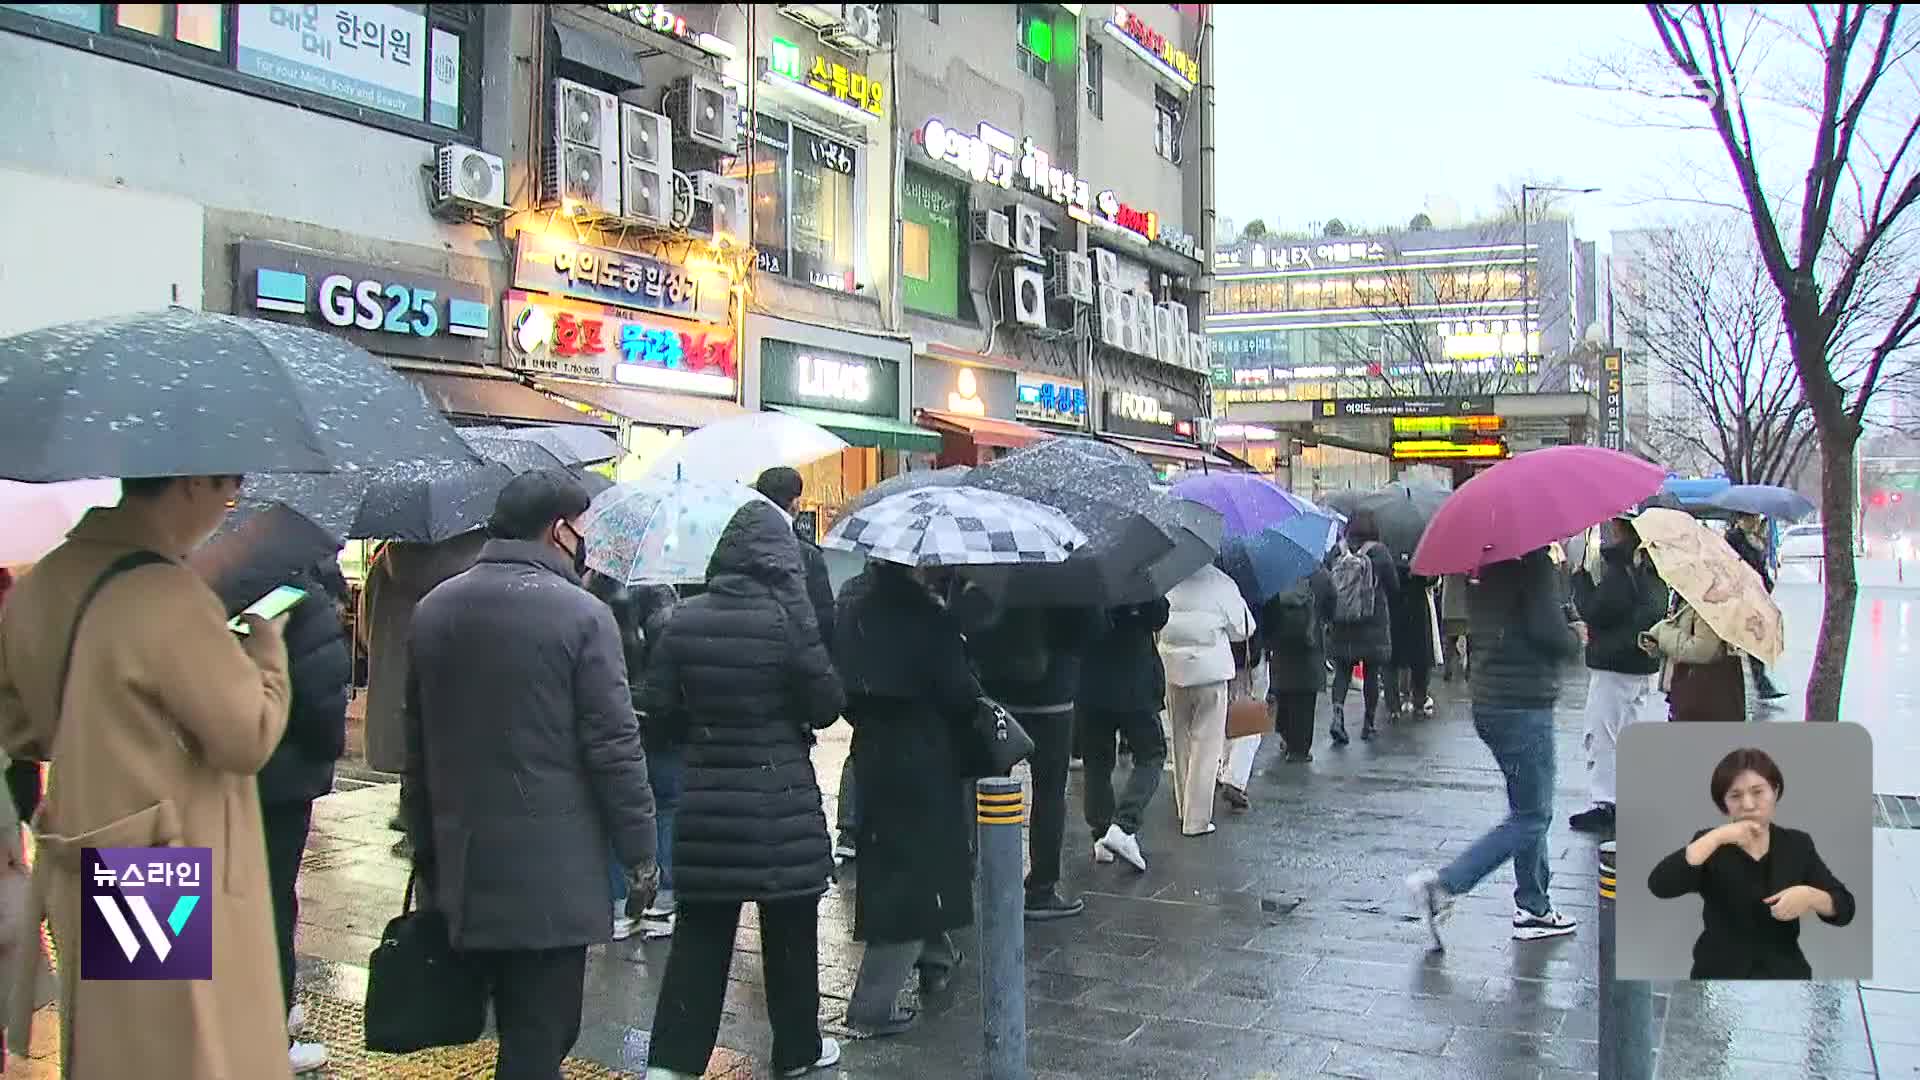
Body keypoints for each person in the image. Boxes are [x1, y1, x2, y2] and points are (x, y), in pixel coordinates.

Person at [0, 474, 296, 1079]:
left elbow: (17, 725)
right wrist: (268, 652)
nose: (226, 507)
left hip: (84, 839)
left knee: (118, 1047)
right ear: (190, 484)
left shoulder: (42, 583)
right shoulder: (167, 593)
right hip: (160, 857)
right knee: (177, 1052)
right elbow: (247, 735)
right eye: (228, 489)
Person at [403, 470, 657, 1080]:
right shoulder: (582, 616)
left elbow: (416, 742)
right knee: (540, 1033)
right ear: (558, 530)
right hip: (553, 870)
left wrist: (422, 840)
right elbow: (615, 747)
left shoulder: (434, 608)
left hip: (461, 860)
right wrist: (641, 852)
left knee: (503, 1022)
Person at [641, 501, 844, 1079]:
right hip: (781, 803)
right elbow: (827, 706)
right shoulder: (788, 620)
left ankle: (672, 1064)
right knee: (790, 938)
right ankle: (799, 1050)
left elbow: (657, 708)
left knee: (700, 937)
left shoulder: (682, 620)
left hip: (708, 805)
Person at [1406, 547, 1584, 946]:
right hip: (1523, 701)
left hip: (1491, 698)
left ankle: (1535, 906)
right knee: (1532, 816)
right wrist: (1575, 636)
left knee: (1528, 809)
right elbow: (1548, 633)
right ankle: (1446, 884)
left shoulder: (1485, 562)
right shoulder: (1534, 563)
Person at [831, 560, 978, 1036]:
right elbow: (959, 695)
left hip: (874, 752)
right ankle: (870, 1006)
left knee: (897, 859)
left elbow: (843, 690)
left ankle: (936, 957)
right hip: (926, 755)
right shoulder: (929, 619)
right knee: (917, 871)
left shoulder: (853, 609)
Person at [251, 559, 352, 1074]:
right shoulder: (290, 603)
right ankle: (263, 1033)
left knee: (130, 1014)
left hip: (114, 817)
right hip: (191, 803)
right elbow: (230, 730)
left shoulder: (124, 586)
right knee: (265, 898)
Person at [1648, 747, 1856, 978]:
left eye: (1758, 792)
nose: (1748, 805)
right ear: (1724, 803)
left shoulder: (1797, 844)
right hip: (1718, 975)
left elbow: (1845, 907)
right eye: (1735, 796)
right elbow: (1660, 885)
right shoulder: (1710, 845)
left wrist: (1810, 896)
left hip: (1785, 974)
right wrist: (1715, 838)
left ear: (1775, 791)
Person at [969, 603, 1102, 919]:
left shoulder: (991, 569)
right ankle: (1041, 889)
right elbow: (1094, 629)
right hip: (1052, 699)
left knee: (987, 789)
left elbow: (967, 622)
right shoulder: (1069, 577)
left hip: (997, 696)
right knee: (1050, 794)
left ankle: (986, 879)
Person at [752, 468, 856, 862]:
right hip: (789, 686)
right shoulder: (804, 555)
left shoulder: (727, 550)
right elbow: (822, 623)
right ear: (795, 502)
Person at [359, 531, 485, 851]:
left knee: (410, 755)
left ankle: (412, 826)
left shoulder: (385, 559)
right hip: (448, 681)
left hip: (396, 676)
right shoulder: (472, 566)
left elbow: (363, 626)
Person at [584, 574, 683, 940]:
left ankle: (619, 904)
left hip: (615, 724)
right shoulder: (668, 608)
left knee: (614, 813)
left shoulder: (594, 607)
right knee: (667, 808)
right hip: (662, 729)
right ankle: (662, 901)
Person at [1568, 516, 1669, 833]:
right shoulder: (1653, 569)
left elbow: (1596, 610)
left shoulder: (1622, 571)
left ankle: (1606, 802)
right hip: (1639, 664)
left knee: (1602, 733)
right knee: (1627, 731)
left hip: (1615, 663)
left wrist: (1579, 578)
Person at [1159, 562, 1254, 838]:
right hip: (1211, 674)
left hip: (1173, 669)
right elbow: (1243, 630)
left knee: (1180, 742)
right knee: (1206, 747)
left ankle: (1182, 808)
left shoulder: (1168, 578)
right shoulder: (1222, 583)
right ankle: (1196, 820)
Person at [1076, 598, 1171, 871]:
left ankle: (1101, 833)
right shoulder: (1136, 572)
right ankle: (1123, 825)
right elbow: (1158, 617)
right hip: (1135, 682)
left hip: (1090, 683)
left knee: (1097, 761)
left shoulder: (1084, 576)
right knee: (1152, 754)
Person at [1326, 510, 1399, 743]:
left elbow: (1328, 582)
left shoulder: (1338, 550)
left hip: (1342, 622)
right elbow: (1394, 587)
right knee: (1371, 673)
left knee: (1342, 673)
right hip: (1372, 623)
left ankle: (1338, 714)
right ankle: (1368, 723)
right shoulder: (1379, 552)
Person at [1264, 569, 1336, 762]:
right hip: (1310, 648)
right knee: (1305, 699)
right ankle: (1300, 749)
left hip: (1282, 648)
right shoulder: (1320, 576)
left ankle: (1286, 736)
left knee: (1284, 692)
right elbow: (1331, 606)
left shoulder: (1276, 574)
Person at [1644, 596, 1747, 723]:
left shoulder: (1709, 599)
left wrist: (1664, 632)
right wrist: (1659, 644)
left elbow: (1704, 650)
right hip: (1688, 689)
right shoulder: (1686, 594)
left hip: (1703, 695)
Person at [1725, 514, 1785, 700]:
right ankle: (1749, 684)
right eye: (1751, 519)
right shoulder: (1734, 539)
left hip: (1756, 596)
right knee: (1740, 641)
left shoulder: (1755, 539)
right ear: (1742, 520)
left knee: (1756, 638)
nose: (1755, 522)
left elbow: (1760, 567)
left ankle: (1761, 682)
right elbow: (1739, 566)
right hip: (1742, 596)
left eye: (1756, 519)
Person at [1216, 619, 1268, 812]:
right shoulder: (1257, 591)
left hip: (1221, 656)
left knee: (1225, 711)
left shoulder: (1217, 588)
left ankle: (1223, 767)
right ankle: (1235, 779)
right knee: (1251, 716)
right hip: (1251, 655)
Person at [1385, 554, 1439, 719]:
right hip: (1416, 605)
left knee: (1391, 659)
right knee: (1420, 657)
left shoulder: (1387, 545)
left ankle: (1393, 706)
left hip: (1393, 606)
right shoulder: (1423, 545)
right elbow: (1431, 579)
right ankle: (1419, 702)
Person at [1440, 572, 1473, 682]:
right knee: (1470, 643)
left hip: (1450, 605)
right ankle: (1469, 671)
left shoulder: (1447, 563)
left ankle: (1448, 671)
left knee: (1449, 642)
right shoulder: (1468, 563)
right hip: (1466, 605)